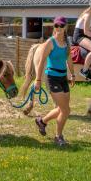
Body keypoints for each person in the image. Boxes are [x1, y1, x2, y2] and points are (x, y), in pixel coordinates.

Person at [34, 16, 75, 146]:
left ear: (66, 27)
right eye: (56, 25)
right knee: (66, 110)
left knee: (61, 109)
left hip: (63, 78)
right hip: (52, 78)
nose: (58, 28)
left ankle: (42, 121)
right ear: (54, 27)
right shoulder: (50, 42)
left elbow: (69, 61)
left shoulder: (67, 42)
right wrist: (38, 80)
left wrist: (72, 75)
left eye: (61, 26)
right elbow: (41, 62)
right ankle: (58, 136)